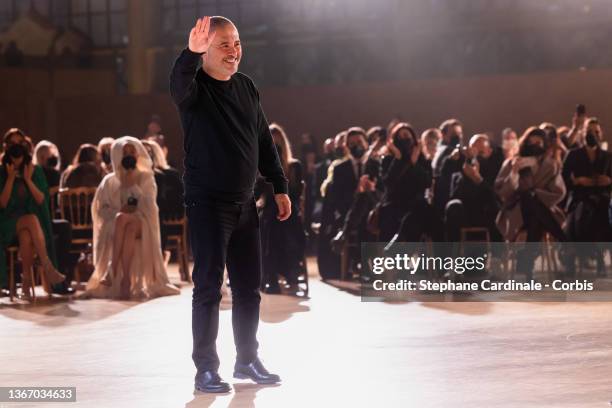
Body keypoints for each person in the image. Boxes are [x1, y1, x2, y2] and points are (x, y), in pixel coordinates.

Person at [170, 16, 288, 393]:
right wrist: (189, 53)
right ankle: (205, 368)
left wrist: (279, 185)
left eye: (237, 43)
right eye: (223, 44)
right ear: (205, 49)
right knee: (207, 287)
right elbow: (177, 83)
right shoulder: (194, 89)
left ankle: (247, 359)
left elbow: (263, 139)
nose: (234, 51)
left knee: (249, 288)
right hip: (207, 203)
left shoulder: (247, 87)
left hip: (244, 204)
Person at [85, 136, 180, 300]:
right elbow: (100, 209)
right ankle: (126, 281)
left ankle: (111, 269)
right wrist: (118, 212)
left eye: (132, 152)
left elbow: (150, 206)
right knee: (124, 223)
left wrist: (132, 186)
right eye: (125, 152)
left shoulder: (146, 177)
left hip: (142, 221)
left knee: (124, 219)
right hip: (121, 224)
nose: (128, 155)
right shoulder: (109, 181)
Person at [0, 128, 66, 299]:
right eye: (12, 144)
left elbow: (40, 200)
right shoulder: (1, 171)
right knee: (31, 220)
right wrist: (10, 178)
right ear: (6, 147)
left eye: (20, 143)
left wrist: (28, 180)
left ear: (26, 145)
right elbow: (3, 203)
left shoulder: (35, 170)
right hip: (5, 224)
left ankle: (27, 283)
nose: (16, 147)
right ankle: (47, 265)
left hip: (29, 227)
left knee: (27, 235)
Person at [495, 127, 567, 279]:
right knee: (529, 199)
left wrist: (535, 194)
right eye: (531, 142)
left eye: (538, 142)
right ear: (524, 143)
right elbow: (501, 192)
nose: (534, 145)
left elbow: (559, 192)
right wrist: (514, 173)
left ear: (544, 144)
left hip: (542, 210)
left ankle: (526, 264)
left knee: (533, 206)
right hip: (516, 210)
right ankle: (562, 238)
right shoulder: (511, 163)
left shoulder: (551, 165)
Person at [256, 124, 305, 294]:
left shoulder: (294, 166)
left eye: (277, 145)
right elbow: (258, 195)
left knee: (283, 227)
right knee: (269, 224)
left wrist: (280, 172)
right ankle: (271, 277)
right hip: (269, 210)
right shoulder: (260, 166)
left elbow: (296, 193)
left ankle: (286, 273)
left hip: (290, 210)